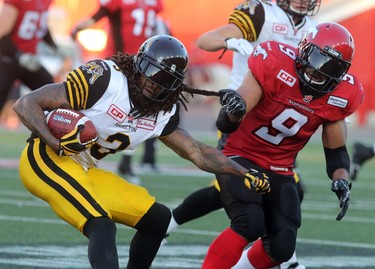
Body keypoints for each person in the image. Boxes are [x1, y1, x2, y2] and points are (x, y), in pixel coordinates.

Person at [13, 35, 271, 269]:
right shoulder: (105, 80)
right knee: (100, 224)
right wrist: (55, 142)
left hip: (85, 168)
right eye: (150, 72)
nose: (152, 84)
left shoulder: (163, 111)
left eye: (163, 81)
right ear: (138, 65)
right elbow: (26, 103)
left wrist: (241, 172)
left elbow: (197, 152)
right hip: (46, 158)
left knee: (158, 219)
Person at [167, 1, 320, 268]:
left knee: (236, 189)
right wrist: (230, 43)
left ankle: (169, 222)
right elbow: (206, 40)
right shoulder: (262, 14)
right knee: (277, 189)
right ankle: (287, 258)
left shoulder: (313, 29)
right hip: (243, 114)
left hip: (280, 117)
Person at [201, 22, 362, 269]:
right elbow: (227, 123)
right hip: (239, 154)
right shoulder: (274, 61)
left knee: (283, 245)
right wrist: (233, 112)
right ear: (304, 48)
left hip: (281, 168)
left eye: (332, 66)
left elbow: (336, 153)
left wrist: (341, 179)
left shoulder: (343, 94)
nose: (321, 70)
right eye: (319, 58)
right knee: (249, 221)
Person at [71, 0, 165, 183]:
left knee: (138, 113)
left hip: (131, 63)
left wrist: (76, 29)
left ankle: (123, 161)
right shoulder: (152, 3)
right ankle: (81, 147)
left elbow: (95, 17)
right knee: (113, 109)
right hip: (131, 64)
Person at [0, 0, 58, 116]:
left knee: (53, 96)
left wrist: (54, 46)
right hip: (6, 59)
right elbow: (1, 32)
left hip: (29, 61)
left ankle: (60, 130)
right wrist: (19, 55)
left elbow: (41, 25)